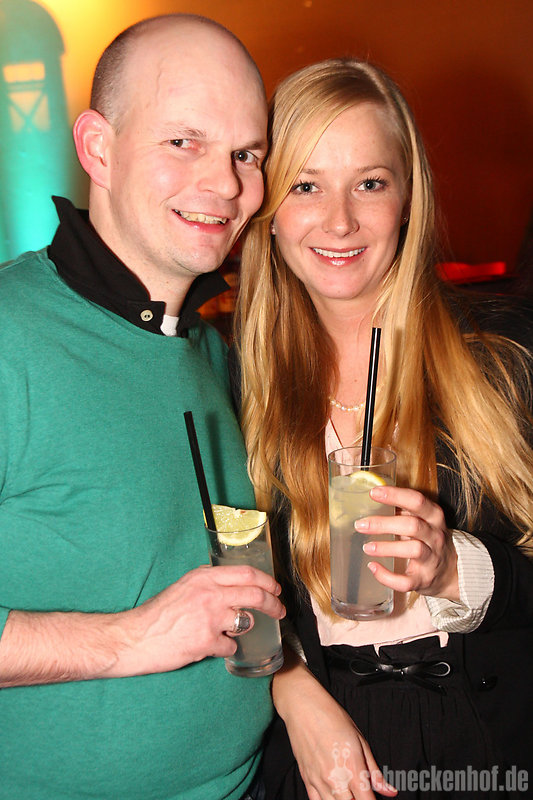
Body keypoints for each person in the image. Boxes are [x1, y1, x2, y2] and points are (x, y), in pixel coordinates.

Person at [0, 14, 286, 800]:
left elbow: (242, 584)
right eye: (183, 141)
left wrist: (299, 700)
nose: (226, 184)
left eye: (246, 153)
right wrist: (131, 638)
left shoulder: (209, 352)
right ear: (99, 149)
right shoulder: (9, 335)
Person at [234, 58, 533, 799]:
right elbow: (228, 579)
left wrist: (455, 568)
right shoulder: (228, 381)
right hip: (319, 747)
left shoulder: (505, 354)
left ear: (407, 198)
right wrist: (290, 690)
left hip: (493, 740)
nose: (339, 221)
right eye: (305, 186)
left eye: (369, 183)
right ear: (267, 207)